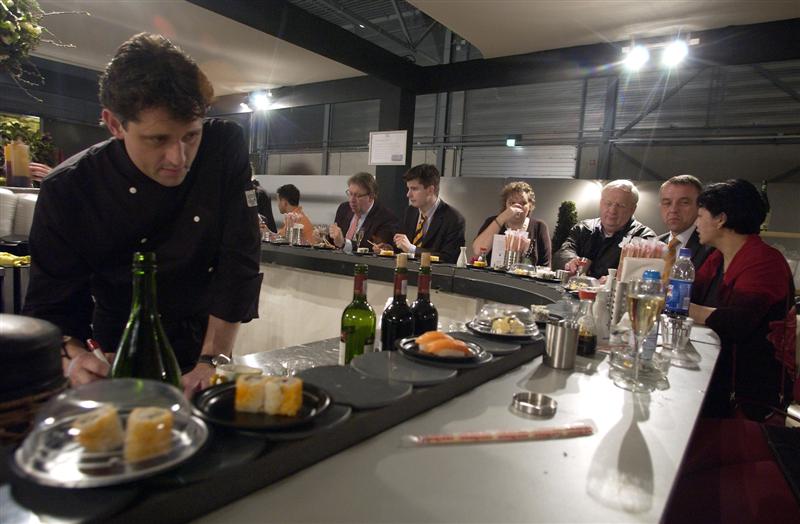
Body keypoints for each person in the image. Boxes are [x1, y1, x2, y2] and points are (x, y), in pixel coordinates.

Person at [22, 33, 262, 396]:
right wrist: (74, 359)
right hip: (115, 353)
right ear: (115, 124)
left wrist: (212, 360)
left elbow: (238, 260)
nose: (178, 159)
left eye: (190, 136)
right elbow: (51, 306)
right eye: (158, 139)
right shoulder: (69, 187)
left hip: (201, 346)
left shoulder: (223, 147)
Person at [689, 179, 795, 420]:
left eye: (701, 216)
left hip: (747, 393)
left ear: (721, 219)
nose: (696, 223)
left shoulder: (764, 261)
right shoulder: (717, 258)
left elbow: (738, 322)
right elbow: (690, 293)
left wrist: (681, 306)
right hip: (715, 374)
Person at [552, 179, 656, 278]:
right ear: (601, 203)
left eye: (621, 205)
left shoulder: (644, 239)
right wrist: (571, 260)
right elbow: (563, 252)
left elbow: (643, 275)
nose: (612, 210)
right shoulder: (583, 228)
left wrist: (614, 279)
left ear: (633, 209)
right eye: (608, 203)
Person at [392, 164, 465, 264]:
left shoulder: (453, 219)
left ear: (430, 190)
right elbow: (402, 246)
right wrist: (390, 249)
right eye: (408, 189)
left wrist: (412, 249)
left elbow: (449, 258)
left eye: (414, 189)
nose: (408, 194)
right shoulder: (410, 211)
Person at [472, 181, 551, 266]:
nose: (517, 206)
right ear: (505, 204)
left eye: (523, 203)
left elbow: (545, 265)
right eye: (512, 203)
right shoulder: (492, 221)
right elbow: (477, 252)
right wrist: (503, 217)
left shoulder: (539, 227)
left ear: (530, 206)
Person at [328, 172, 399, 253]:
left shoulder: (386, 219)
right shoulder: (344, 208)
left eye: (357, 196)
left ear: (371, 197)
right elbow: (335, 241)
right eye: (350, 194)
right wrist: (322, 239)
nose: (352, 200)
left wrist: (344, 243)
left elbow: (372, 248)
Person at [657, 174, 713, 272]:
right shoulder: (655, 244)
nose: (673, 210)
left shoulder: (710, 247)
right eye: (667, 203)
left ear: (699, 206)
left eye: (684, 202)